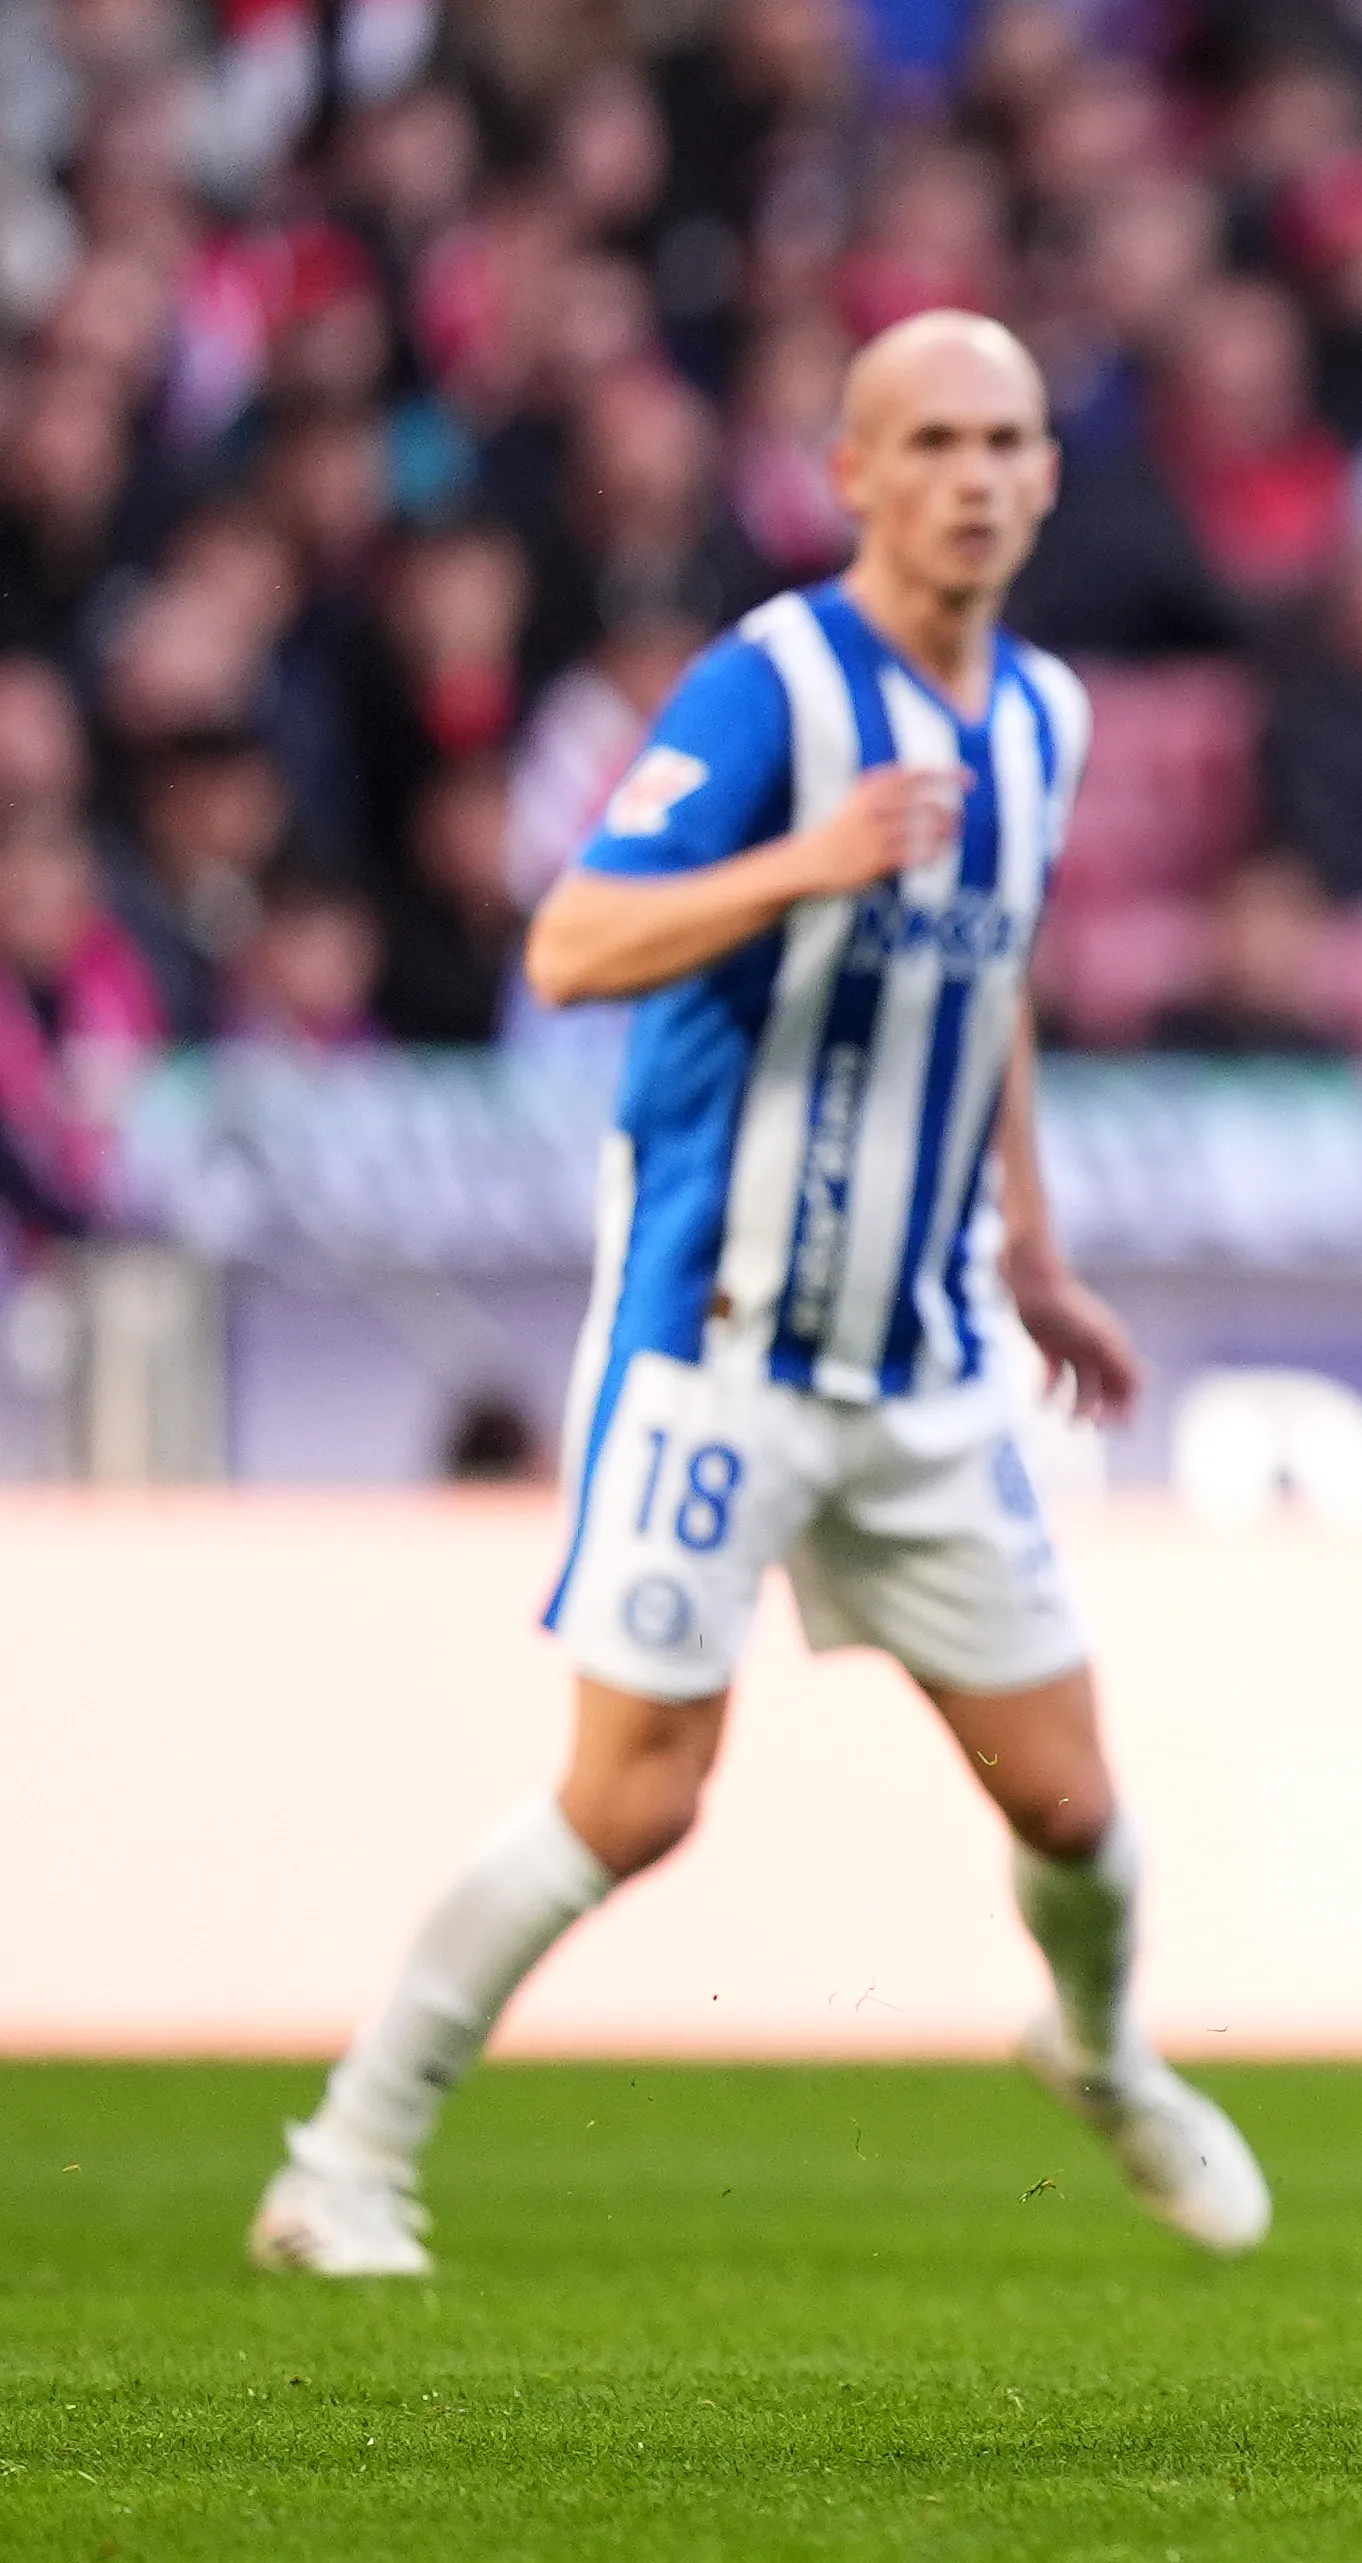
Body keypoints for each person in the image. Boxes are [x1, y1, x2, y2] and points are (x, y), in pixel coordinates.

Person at [249, 312, 1269, 2277]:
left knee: (1072, 1802)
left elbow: (990, 981)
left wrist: (1034, 1250)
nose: (975, 476)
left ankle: (1097, 2046)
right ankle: (342, 2158)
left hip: (926, 1356)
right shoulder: (771, 689)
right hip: (715, 1346)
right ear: (854, 473)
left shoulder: (1043, 717)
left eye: (1006, 441)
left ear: (1049, 474)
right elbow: (571, 940)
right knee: (635, 1800)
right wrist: (804, 861)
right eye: (933, 442)